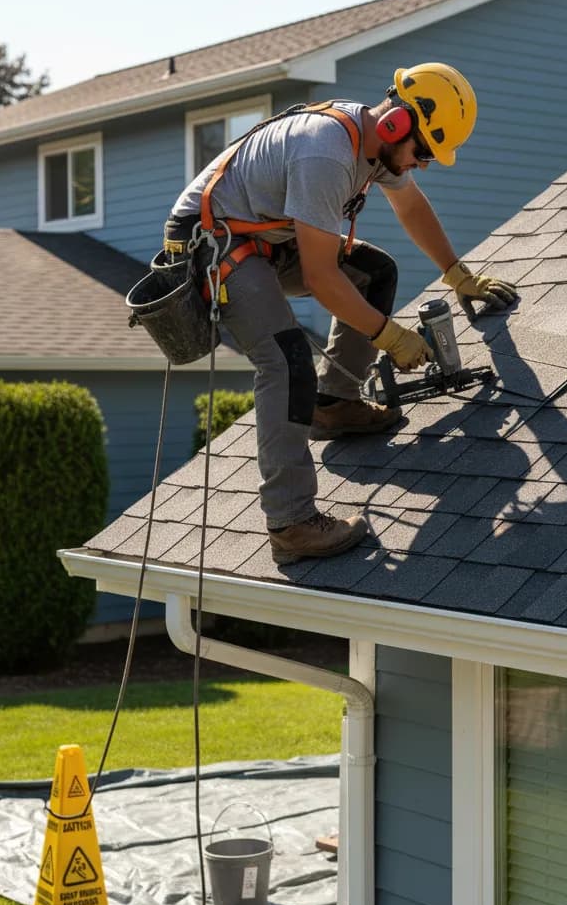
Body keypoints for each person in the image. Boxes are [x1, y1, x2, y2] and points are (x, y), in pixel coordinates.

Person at [161, 62, 517, 565]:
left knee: (375, 273)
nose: (422, 164)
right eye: (423, 152)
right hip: (213, 244)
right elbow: (323, 278)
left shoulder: (374, 149)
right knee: (284, 361)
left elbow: (411, 208)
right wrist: (390, 336)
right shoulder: (326, 153)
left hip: (262, 234)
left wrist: (458, 274)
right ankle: (291, 523)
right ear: (397, 124)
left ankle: (334, 404)